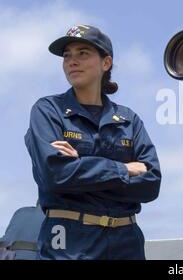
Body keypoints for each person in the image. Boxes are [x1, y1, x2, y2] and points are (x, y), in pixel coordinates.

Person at [24, 24, 161, 260]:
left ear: (105, 63)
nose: (71, 61)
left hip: (126, 243)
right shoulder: (48, 111)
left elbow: (151, 184)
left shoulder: (129, 120)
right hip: (68, 245)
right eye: (67, 56)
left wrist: (81, 167)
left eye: (82, 53)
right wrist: (124, 169)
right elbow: (55, 176)